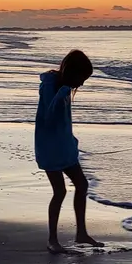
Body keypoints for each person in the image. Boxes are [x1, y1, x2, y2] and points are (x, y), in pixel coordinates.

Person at [34, 49, 103, 253]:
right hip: (49, 148)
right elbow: (49, 117)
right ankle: (52, 239)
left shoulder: (64, 87)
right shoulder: (50, 86)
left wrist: (71, 140)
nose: (81, 84)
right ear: (72, 72)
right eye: (81, 78)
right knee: (60, 191)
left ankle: (81, 232)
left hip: (65, 146)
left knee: (82, 185)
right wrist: (63, 91)